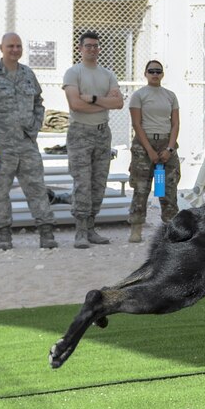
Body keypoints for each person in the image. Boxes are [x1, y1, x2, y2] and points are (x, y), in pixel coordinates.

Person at [0, 32, 58, 251]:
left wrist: (35, 126)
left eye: (18, 46)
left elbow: (39, 102)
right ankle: (4, 236)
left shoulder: (28, 75)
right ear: (1, 48)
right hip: (1, 147)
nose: (14, 50)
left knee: (37, 189)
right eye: (10, 46)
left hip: (26, 144)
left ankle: (46, 232)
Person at [62, 31, 124, 247]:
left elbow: (119, 104)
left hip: (101, 133)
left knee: (99, 182)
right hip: (80, 132)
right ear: (80, 48)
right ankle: (80, 231)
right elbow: (75, 104)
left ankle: (91, 228)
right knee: (82, 183)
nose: (92, 49)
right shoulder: (73, 73)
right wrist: (105, 102)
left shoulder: (107, 74)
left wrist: (95, 99)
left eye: (95, 46)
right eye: (88, 46)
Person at [127, 59, 180, 243]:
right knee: (141, 188)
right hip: (144, 145)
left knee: (168, 188)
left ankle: (170, 229)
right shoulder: (139, 95)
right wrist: (149, 149)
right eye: (151, 71)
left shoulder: (170, 96)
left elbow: (175, 123)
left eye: (158, 71)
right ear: (146, 73)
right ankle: (136, 227)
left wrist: (170, 148)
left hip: (166, 143)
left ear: (162, 74)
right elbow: (136, 123)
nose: (155, 74)